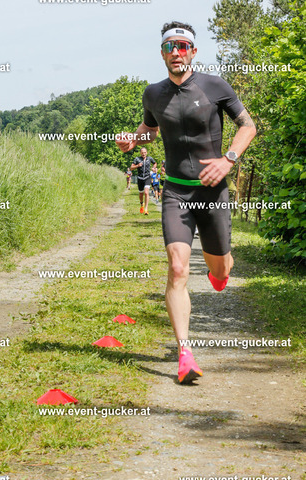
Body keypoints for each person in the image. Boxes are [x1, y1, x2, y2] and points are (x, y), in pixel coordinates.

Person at [116, 20, 256, 383]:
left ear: (193, 51)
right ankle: (184, 354)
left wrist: (228, 159)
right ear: (162, 53)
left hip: (213, 192)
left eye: (182, 46)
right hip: (176, 192)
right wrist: (133, 140)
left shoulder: (215, 86)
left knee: (220, 270)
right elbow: (150, 129)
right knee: (177, 268)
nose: (176, 53)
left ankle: (219, 272)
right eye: (169, 47)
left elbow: (248, 126)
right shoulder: (153, 93)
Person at [131, 147, 155, 215]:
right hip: (140, 178)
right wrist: (137, 165)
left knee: (146, 193)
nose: (143, 154)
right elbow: (131, 168)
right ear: (140, 153)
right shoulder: (137, 159)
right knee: (141, 194)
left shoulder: (149, 158)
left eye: (144, 152)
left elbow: (155, 163)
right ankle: (142, 204)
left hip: (147, 177)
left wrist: (153, 167)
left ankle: (146, 209)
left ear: (146, 153)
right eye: (142, 153)